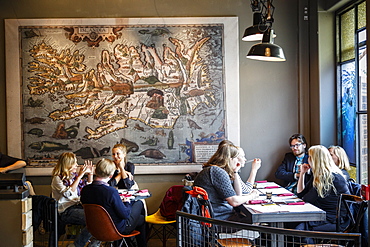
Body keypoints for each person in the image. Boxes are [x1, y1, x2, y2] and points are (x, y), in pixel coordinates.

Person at [81, 158, 147, 247]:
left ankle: (128, 244)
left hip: (95, 228)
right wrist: (127, 202)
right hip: (115, 229)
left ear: (96, 171)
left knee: (141, 218)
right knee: (139, 203)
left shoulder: (85, 190)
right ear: (111, 175)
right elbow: (125, 215)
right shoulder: (111, 192)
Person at [193, 140, 259, 223]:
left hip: (219, 216)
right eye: (236, 158)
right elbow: (234, 201)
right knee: (257, 221)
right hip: (219, 220)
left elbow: (238, 195)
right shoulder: (217, 171)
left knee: (256, 220)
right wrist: (252, 195)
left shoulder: (215, 170)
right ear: (230, 159)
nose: (238, 161)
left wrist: (235, 172)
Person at [295, 145, 350, 232]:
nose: (307, 159)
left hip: (334, 220)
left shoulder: (329, 178)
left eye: (310, 157)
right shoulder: (319, 175)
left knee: (298, 229)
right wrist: (302, 174)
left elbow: (306, 199)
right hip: (323, 215)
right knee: (293, 224)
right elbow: (300, 193)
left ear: (315, 160)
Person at [51, 152, 99, 247]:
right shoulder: (57, 179)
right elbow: (69, 194)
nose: (77, 165)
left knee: (102, 217)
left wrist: (90, 175)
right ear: (68, 165)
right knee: (95, 220)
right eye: (75, 163)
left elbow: (87, 191)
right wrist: (80, 176)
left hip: (78, 207)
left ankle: (93, 245)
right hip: (66, 211)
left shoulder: (73, 177)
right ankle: (77, 245)